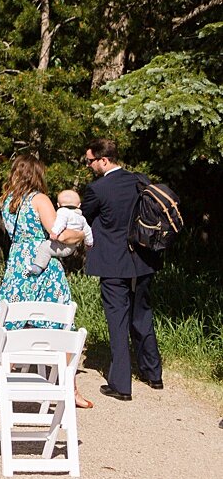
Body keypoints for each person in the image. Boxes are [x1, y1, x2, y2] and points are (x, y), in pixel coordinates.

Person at [0, 153, 91, 408]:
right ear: (38, 174)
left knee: (13, 321)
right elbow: (59, 234)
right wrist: (80, 234)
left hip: (17, 262)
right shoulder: (40, 199)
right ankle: (70, 388)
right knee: (60, 324)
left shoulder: (7, 200)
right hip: (41, 264)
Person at [81, 138, 163, 401]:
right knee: (142, 314)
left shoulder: (98, 189)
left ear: (103, 160)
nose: (89, 166)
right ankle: (154, 374)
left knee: (117, 321)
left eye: (90, 161)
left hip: (113, 262)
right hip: (143, 259)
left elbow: (86, 216)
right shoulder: (140, 181)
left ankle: (121, 385)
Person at [28, 189, 92, 275]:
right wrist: (89, 243)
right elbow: (88, 231)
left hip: (62, 244)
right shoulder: (82, 218)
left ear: (58, 205)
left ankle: (38, 267)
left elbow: (60, 223)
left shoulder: (63, 212)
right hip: (72, 247)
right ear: (79, 205)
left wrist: (54, 232)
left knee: (45, 247)